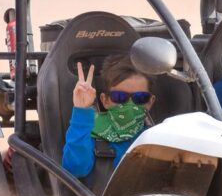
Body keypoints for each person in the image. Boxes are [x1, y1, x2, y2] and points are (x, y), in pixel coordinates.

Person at [62, 53, 154, 181]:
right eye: (119, 97)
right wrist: (81, 111)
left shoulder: (156, 138)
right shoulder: (91, 131)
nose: (129, 105)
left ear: (149, 101)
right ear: (105, 100)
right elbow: (75, 170)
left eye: (139, 98)